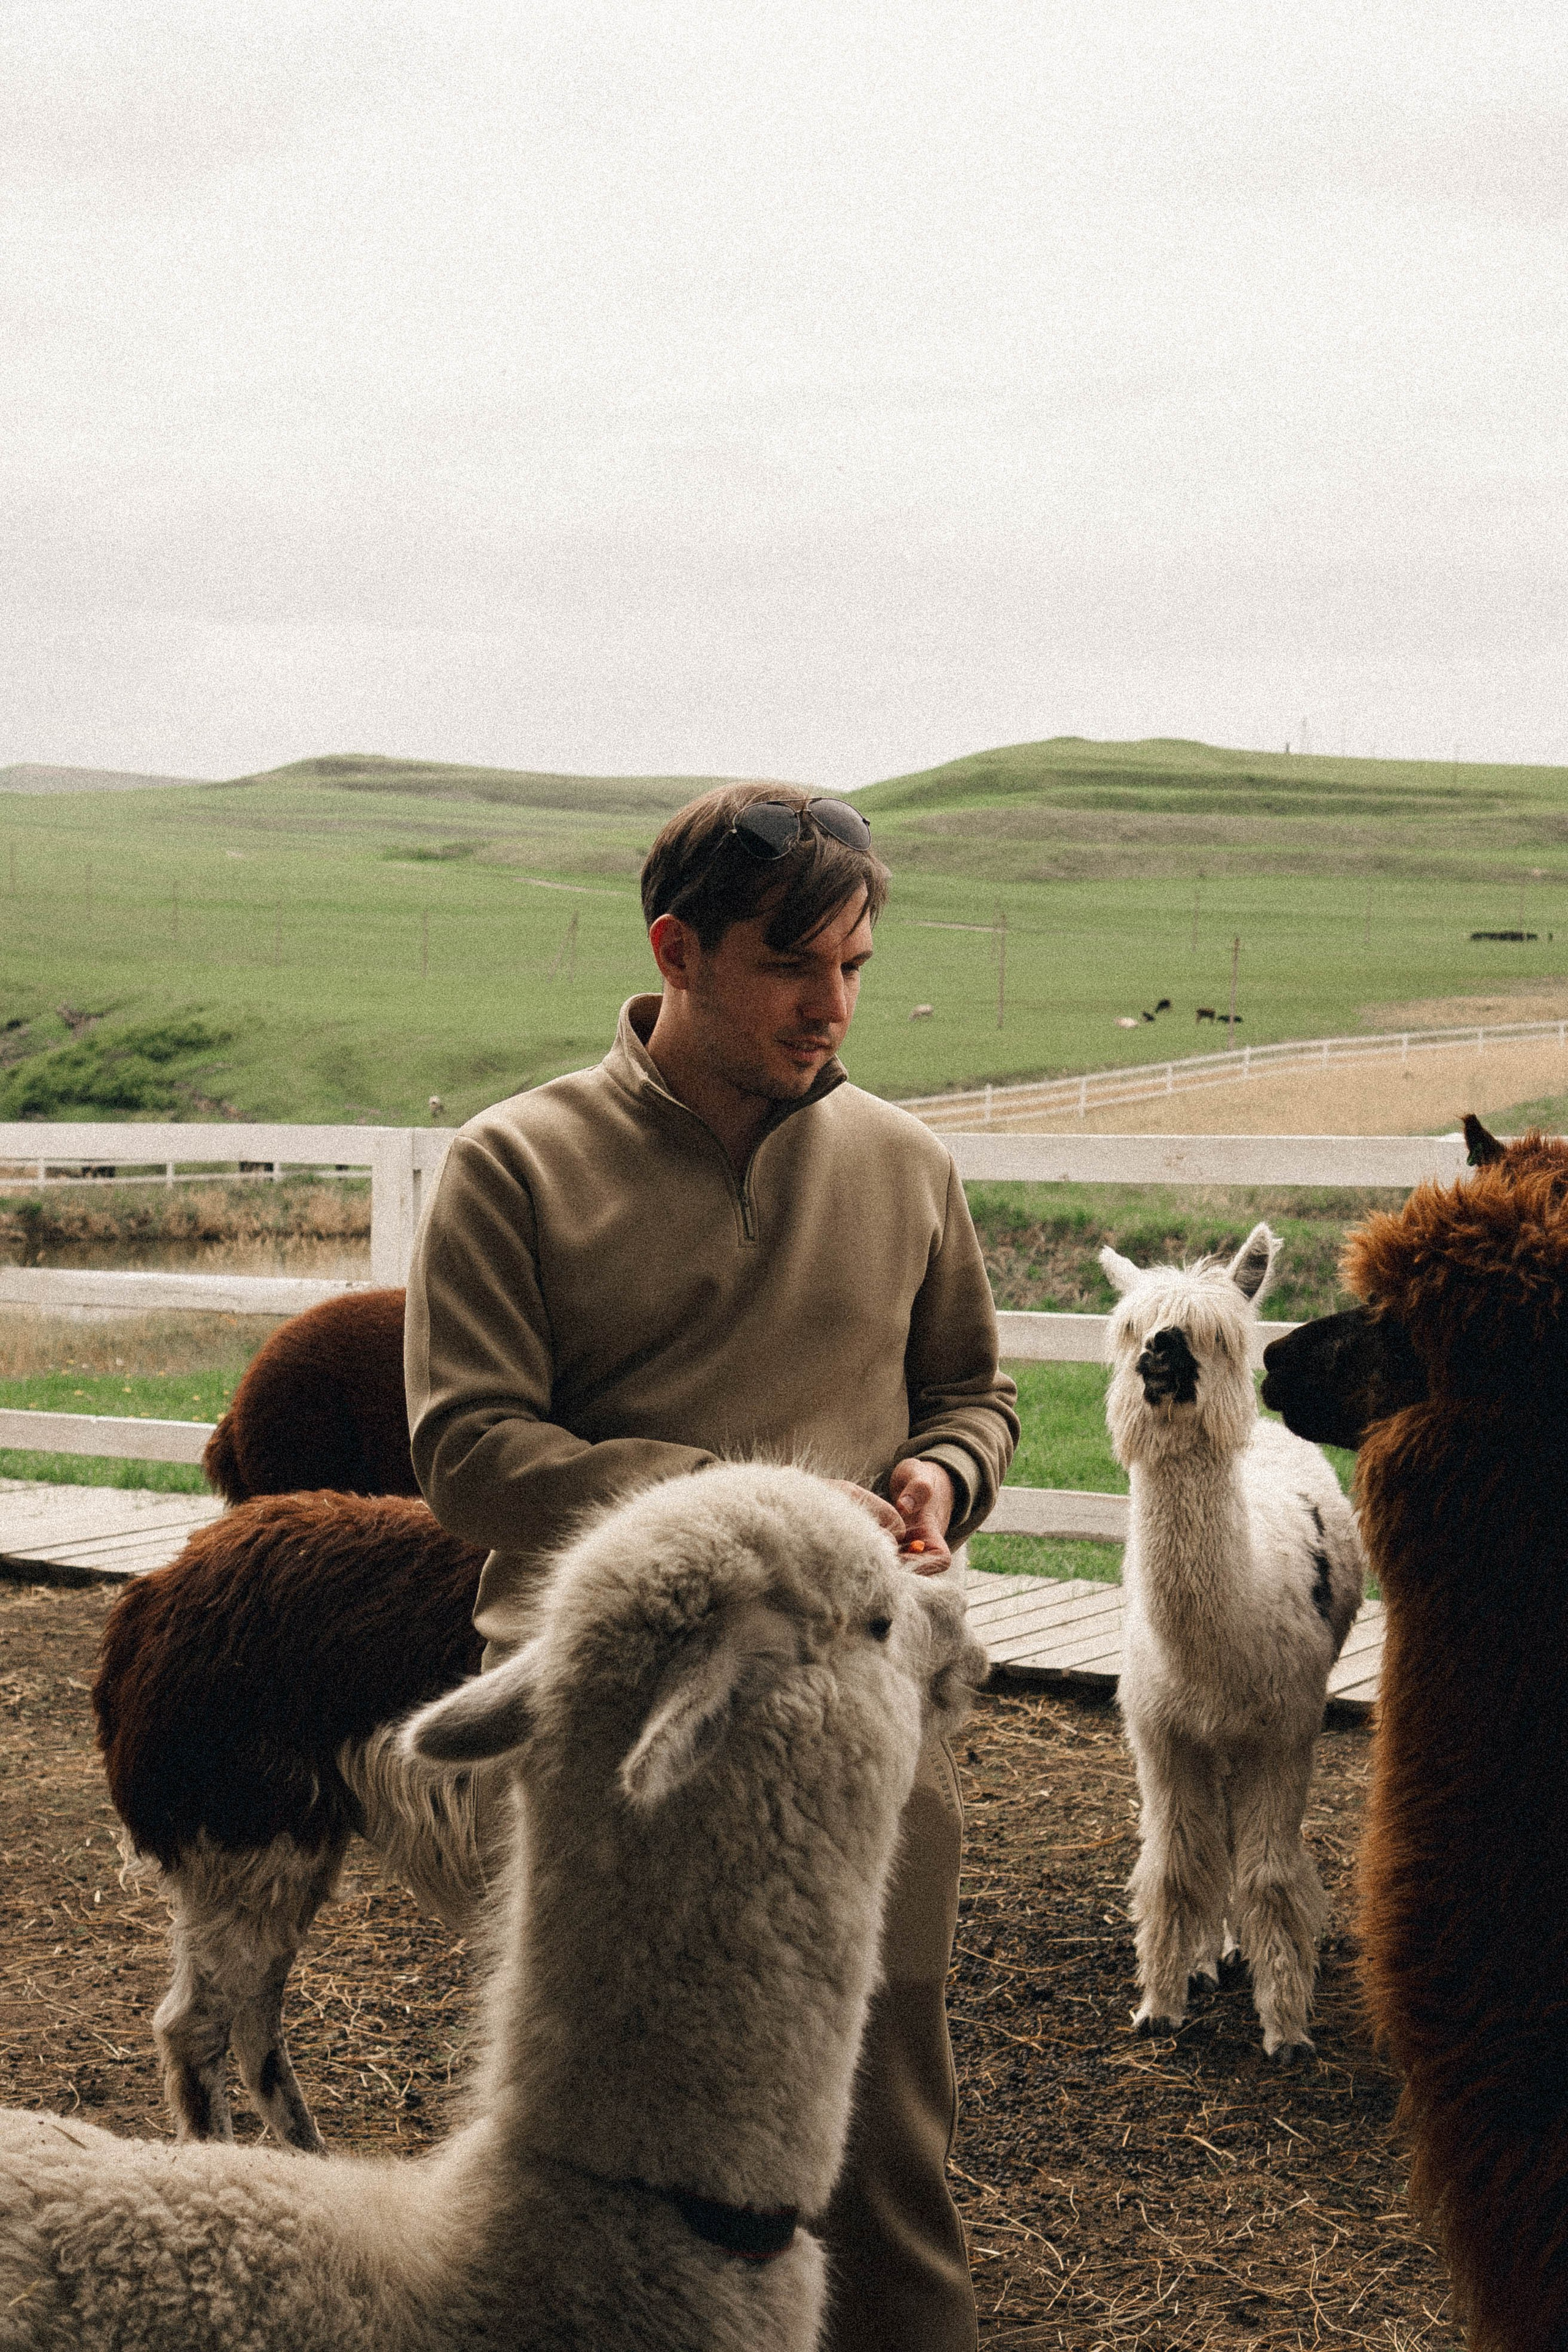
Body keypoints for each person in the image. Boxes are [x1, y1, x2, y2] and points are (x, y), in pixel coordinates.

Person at [405, 781, 1019, 2352]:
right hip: (614, 1751)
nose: (832, 1008)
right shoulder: (510, 1165)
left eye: (856, 967)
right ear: (674, 949)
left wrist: (941, 1473)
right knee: (616, 2186)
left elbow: (971, 1396)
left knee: (883, 2155)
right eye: (788, 965)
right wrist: (743, 1517)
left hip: (860, 1737)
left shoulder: (906, 1166)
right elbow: (466, 1447)